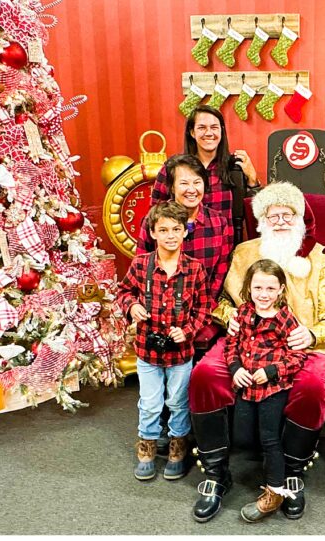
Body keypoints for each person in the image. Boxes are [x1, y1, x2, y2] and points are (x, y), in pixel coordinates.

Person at [188, 182, 325, 523]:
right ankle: (216, 474)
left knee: (313, 386)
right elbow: (220, 302)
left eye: (287, 214)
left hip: (301, 346)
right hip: (245, 341)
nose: (279, 221)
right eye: (271, 215)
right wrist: (229, 317)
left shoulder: (321, 260)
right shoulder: (244, 253)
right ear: (260, 220)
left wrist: (314, 332)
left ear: (300, 218)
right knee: (203, 374)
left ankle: (291, 473)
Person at [116, 201, 214, 482]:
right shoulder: (140, 264)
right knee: (149, 403)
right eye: (163, 230)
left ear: (185, 232)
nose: (170, 235)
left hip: (181, 353)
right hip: (147, 350)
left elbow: (204, 308)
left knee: (178, 401)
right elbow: (124, 292)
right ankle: (146, 446)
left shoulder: (194, 269)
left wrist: (189, 330)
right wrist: (132, 306)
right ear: (153, 233)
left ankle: (177, 448)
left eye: (176, 229)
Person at [223, 259, 307, 523]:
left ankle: (275, 490)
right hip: (246, 386)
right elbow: (231, 345)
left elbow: (297, 357)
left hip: (273, 388)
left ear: (281, 289)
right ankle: (271, 464)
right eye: (258, 287)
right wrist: (236, 368)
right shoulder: (243, 312)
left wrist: (272, 371)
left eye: (270, 289)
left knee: (269, 438)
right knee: (243, 437)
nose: (264, 294)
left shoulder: (285, 318)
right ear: (249, 287)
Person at [138, 154, 234, 300]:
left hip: (204, 308)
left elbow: (221, 271)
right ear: (171, 187)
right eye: (184, 183)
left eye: (197, 182)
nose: (191, 190)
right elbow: (141, 267)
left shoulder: (219, 223)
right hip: (161, 306)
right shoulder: (153, 220)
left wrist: (206, 304)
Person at [152, 105, 261, 220]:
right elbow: (155, 213)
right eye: (202, 127)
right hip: (184, 236)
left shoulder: (234, 166)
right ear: (192, 132)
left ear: (221, 131)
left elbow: (254, 214)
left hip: (226, 236)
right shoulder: (173, 167)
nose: (209, 133)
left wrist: (252, 180)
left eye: (214, 127)